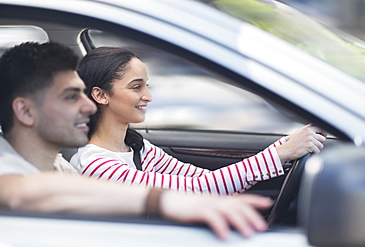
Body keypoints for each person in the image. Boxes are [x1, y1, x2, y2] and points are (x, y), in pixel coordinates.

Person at [0, 41, 281, 240]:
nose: (86, 106)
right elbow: (23, 191)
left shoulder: (61, 167)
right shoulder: (8, 167)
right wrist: (164, 201)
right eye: (71, 97)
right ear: (25, 111)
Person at [71, 47, 327, 194]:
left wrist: (284, 147)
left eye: (146, 86)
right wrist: (281, 153)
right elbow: (199, 189)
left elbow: (208, 178)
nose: (148, 96)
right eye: (136, 87)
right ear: (101, 95)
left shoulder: (138, 148)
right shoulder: (96, 165)